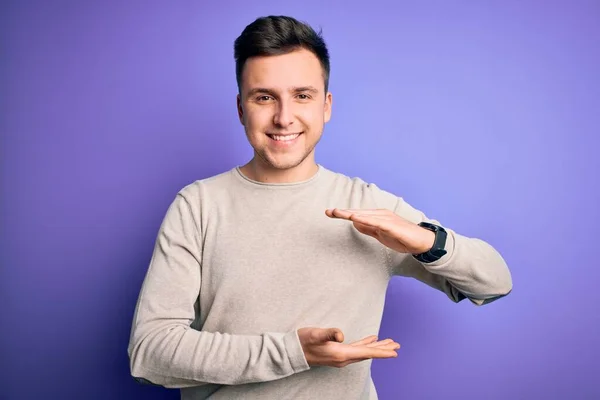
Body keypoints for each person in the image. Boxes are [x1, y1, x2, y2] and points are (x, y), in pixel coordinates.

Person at [127, 15, 512, 400]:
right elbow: (149, 353)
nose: (284, 117)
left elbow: (495, 283)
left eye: (302, 95)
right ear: (242, 108)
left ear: (326, 106)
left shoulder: (368, 207)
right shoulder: (198, 206)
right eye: (264, 97)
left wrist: (425, 240)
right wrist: (293, 352)